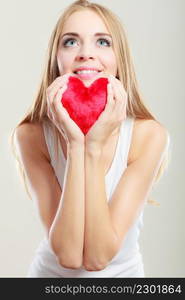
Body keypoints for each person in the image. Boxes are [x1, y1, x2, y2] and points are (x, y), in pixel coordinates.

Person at [10, 0, 170, 277]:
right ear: (55, 58)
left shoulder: (148, 136)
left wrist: (93, 147)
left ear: (120, 61)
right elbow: (69, 256)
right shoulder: (30, 135)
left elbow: (97, 258)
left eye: (103, 42)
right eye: (71, 42)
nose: (86, 54)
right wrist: (75, 144)